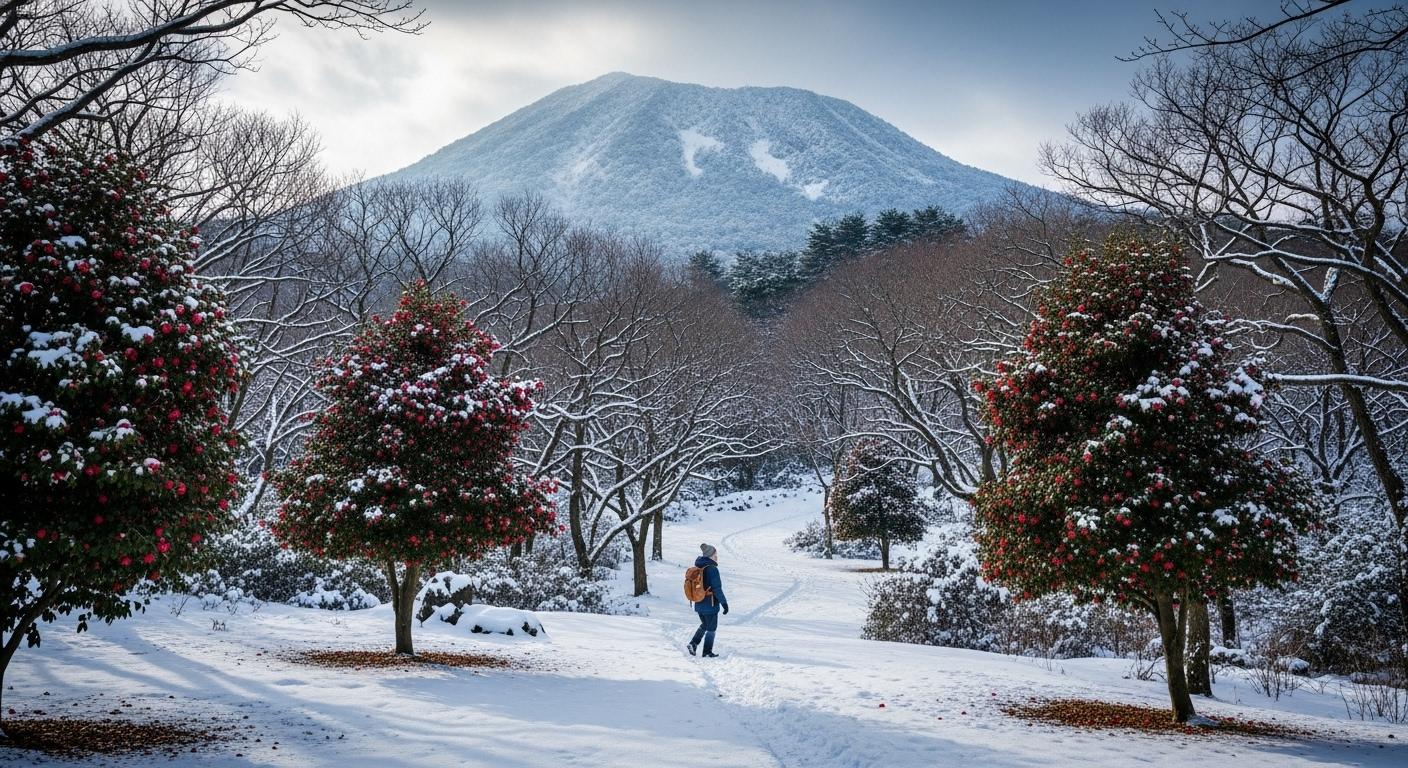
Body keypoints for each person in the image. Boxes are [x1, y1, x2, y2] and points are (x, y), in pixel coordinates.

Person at [689, 543, 729, 657]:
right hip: (710, 604)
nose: (716, 556)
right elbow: (717, 588)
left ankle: (693, 644)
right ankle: (707, 652)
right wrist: (724, 603)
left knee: (705, 625)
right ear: (710, 555)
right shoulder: (712, 569)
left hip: (699, 603)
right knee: (711, 628)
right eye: (715, 554)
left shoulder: (699, 566)